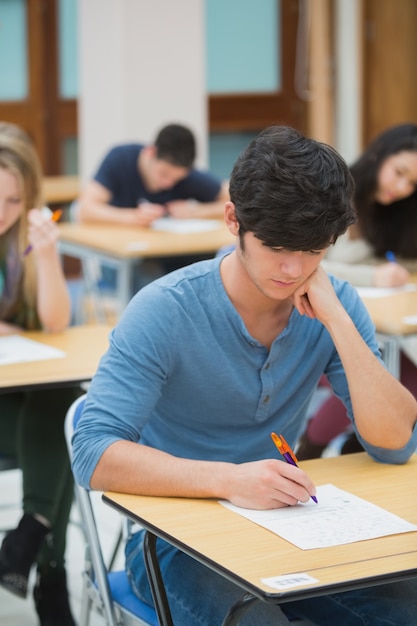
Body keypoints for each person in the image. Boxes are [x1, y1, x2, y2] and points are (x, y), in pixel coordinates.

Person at [72, 125, 417, 626]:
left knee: (406, 608)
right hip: (173, 541)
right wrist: (229, 480)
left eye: (315, 249)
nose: (294, 268)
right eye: (278, 246)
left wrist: (339, 320)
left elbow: (395, 443)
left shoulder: (331, 301)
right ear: (233, 220)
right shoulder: (165, 309)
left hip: (289, 524)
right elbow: (92, 451)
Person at [0, 122, 80, 625]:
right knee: (64, 438)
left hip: (25, 403)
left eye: (11, 200)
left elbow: (55, 324)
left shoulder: (26, 246)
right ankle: (50, 575)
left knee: (66, 402)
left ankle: (31, 532)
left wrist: (48, 257)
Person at [298, 123, 417, 460]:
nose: (402, 187)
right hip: (317, 319)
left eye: (412, 183)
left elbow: (406, 263)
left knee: (406, 382)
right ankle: (311, 450)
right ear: (379, 155)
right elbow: (312, 265)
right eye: (399, 172)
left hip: (374, 321)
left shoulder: (398, 209)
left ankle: (358, 447)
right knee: (359, 373)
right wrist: (372, 275)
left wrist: (391, 272)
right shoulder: (334, 193)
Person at [77, 123, 230, 288]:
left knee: (204, 272)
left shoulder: (184, 175)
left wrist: (197, 211)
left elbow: (231, 197)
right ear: (150, 153)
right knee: (154, 282)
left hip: (167, 255)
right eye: (163, 174)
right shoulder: (120, 159)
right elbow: (85, 209)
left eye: (176, 179)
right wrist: (132, 217)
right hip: (122, 258)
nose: (168, 184)